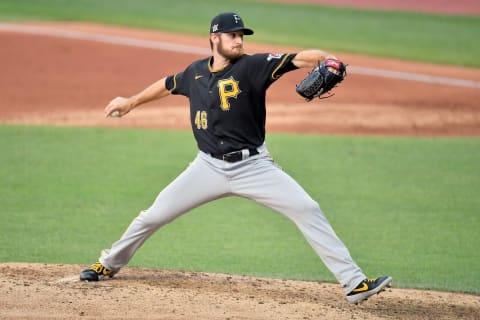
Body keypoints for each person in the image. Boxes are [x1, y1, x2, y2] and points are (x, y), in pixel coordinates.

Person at [80, 12, 392, 304]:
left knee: (307, 208)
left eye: (241, 35)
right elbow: (167, 84)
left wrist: (327, 59)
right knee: (153, 215)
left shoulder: (254, 66)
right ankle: (108, 263)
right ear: (214, 38)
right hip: (207, 166)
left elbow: (298, 58)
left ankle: (354, 282)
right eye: (232, 35)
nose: (239, 40)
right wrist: (132, 102)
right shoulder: (195, 73)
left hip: (254, 167)